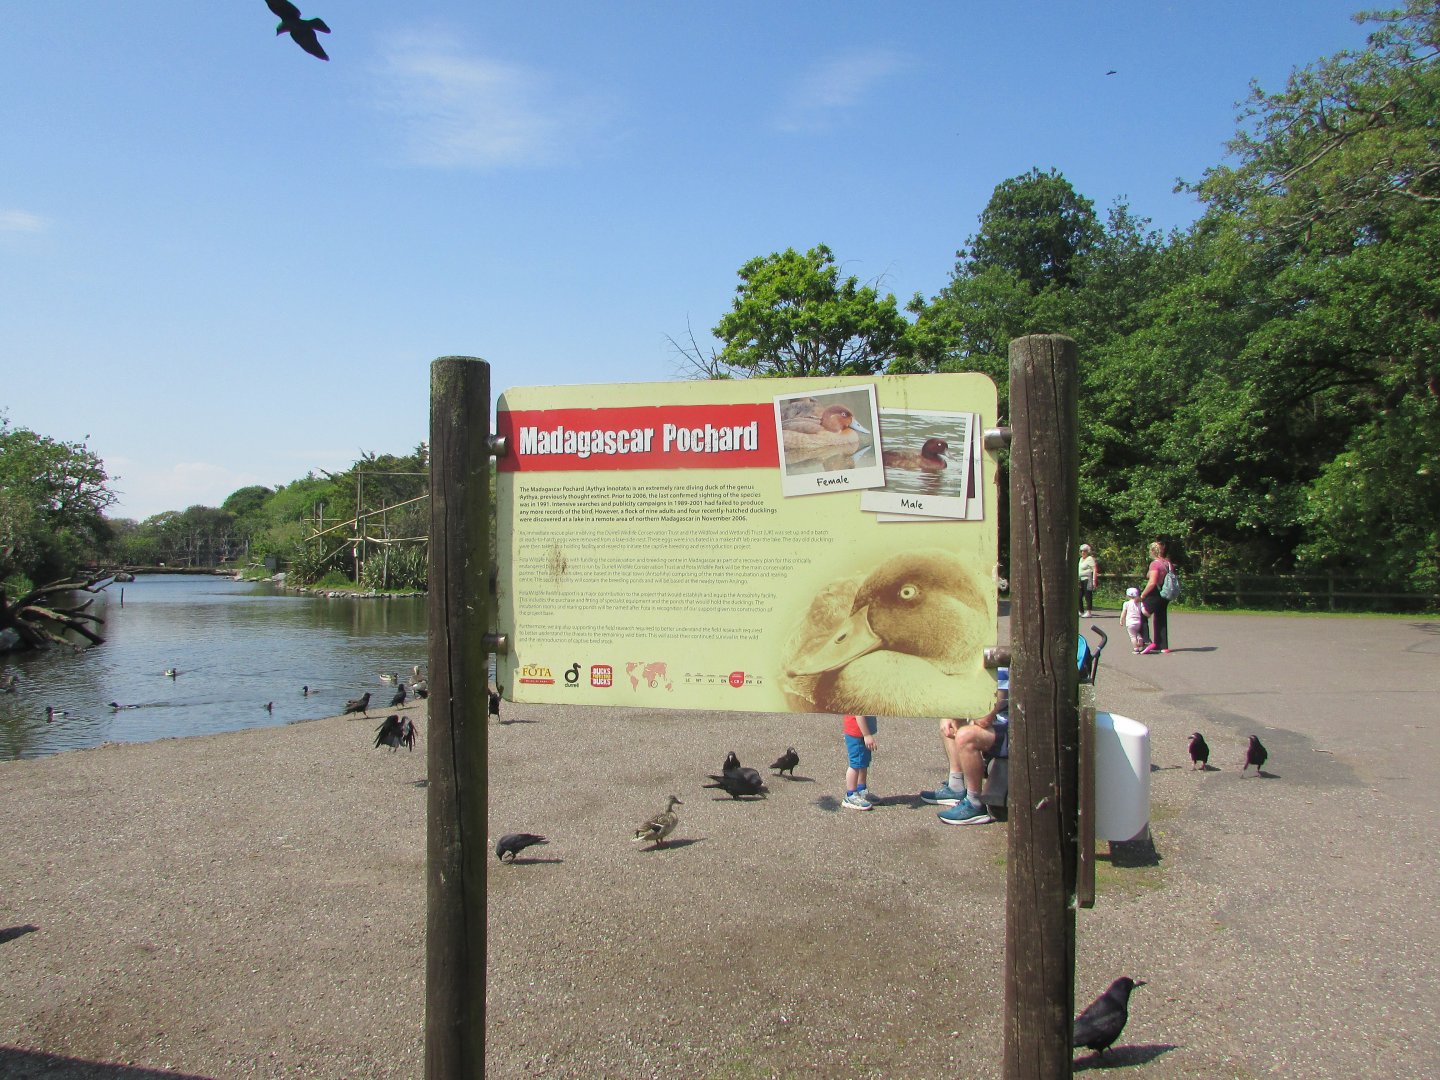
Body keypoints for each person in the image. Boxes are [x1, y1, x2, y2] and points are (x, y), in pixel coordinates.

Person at [919, 670, 1009, 825]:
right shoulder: (975, 666)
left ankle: (975, 803)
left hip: (1014, 731)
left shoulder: (999, 669)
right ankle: (956, 787)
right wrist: (952, 714)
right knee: (949, 718)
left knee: (965, 736)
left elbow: (984, 719)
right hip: (999, 727)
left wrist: (960, 712)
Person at [1138, 540, 1173, 654]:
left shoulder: (1155, 564)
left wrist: (1142, 595)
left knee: (1141, 614)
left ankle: (1147, 641)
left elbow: (1152, 582)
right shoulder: (1168, 563)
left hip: (1155, 593)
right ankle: (1163, 646)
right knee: (1160, 617)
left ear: (1152, 551)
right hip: (1166, 592)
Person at [842, 713, 877, 810]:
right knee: (855, 764)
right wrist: (866, 735)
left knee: (863, 762)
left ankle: (861, 789)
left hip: (862, 732)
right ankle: (850, 795)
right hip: (857, 733)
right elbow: (859, 714)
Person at [1121, 587, 1148, 652]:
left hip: (1130, 623)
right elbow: (1144, 611)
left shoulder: (1126, 604)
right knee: (1137, 632)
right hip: (1138, 622)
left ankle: (1136, 649)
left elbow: (1123, 613)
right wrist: (1147, 614)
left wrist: (1121, 620)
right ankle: (1140, 638)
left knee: (1132, 636)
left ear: (1128, 596)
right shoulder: (1140, 603)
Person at [1078, 544, 1099, 617]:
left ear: (1087, 552)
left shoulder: (1089, 558)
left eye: (1085, 551)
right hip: (1081, 579)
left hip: (1088, 579)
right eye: (1082, 551)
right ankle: (1081, 611)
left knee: (1088, 596)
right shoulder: (1081, 559)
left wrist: (1094, 580)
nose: (1083, 552)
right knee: (1079, 596)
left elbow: (1094, 569)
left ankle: (1089, 612)